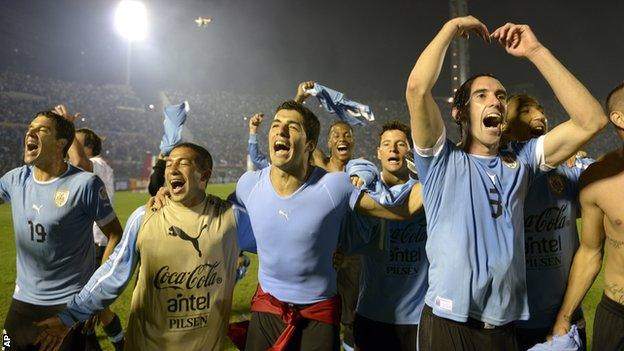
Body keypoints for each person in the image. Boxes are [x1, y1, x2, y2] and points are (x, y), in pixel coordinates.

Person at [405, 16, 607, 350]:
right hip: (447, 322)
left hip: (502, 327)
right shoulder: (441, 162)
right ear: (459, 114)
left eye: (500, 95)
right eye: (481, 95)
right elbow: (416, 89)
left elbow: (592, 120)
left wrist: (537, 51)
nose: (495, 101)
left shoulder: (522, 161)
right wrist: (451, 30)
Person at [232, 100, 422, 351]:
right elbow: (217, 217)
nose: (281, 131)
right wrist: (165, 198)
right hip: (267, 309)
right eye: (276, 125)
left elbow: (400, 212)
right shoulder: (247, 185)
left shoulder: (335, 186)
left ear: (310, 145)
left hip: (318, 314)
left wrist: (436, 175)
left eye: (292, 127)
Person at [35, 142, 257, 351]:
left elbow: (280, 243)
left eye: (183, 163)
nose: (172, 169)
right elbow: (113, 273)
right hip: (148, 345)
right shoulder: (145, 217)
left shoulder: (231, 218)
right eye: (169, 164)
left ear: (204, 176)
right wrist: (70, 316)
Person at [0, 110, 123, 351]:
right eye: (30, 127)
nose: (30, 132)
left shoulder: (85, 184)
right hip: (22, 303)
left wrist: (93, 296)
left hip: (67, 307)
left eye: (42, 129)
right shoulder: (15, 179)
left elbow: (115, 234)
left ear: (61, 144)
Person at [504, 95, 588, 350]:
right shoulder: (493, 170)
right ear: (506, 125)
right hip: (509, 321)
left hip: (564, 320)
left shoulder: (571, 167)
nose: (540, 116)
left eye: (541, 111)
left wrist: (574, 151)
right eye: (527, 111)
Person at [551, 82, 624, 350]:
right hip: (617, 314)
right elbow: (590, 251)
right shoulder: (598, 177)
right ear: (619, 118)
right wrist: (564, 316)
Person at [343, 120, 428, 351]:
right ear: (378, 152)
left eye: (400, 144)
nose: (393, 149)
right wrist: (360, 170)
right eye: (387, 144)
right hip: (372, 313)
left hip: (417, 319)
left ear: (409, 151)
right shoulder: (365, 188)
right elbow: (352, 166)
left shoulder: (423, 192)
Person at [53, 105, 125, 351]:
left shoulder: (96, 163)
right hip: (92, 242)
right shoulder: (95, 166)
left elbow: (79, 162)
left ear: (90, 147)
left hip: (96, 244)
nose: (69, 143)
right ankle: (121, 344)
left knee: (83, 307)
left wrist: (66, 125)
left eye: (75, 140)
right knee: (95, 308)